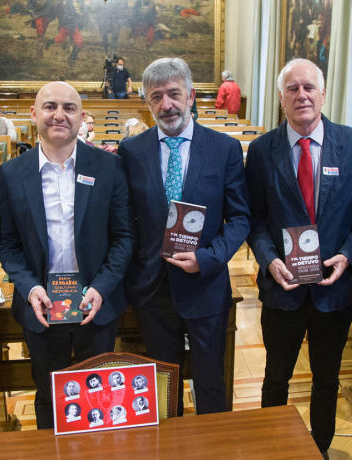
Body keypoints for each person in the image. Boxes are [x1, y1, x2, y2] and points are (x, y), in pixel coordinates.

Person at [244, 58, 352, 458]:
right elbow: (255, 217)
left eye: (309, 87)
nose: (301, 95)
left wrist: (349, 257)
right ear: (281, 97)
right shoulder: (263, 150)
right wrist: (268, 259)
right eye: (292, 88)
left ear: (323, 92)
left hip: (331, 291)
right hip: (281, 288)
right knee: (276, 379)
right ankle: (272, 449)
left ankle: (320, 449)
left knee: (326, 380)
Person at [0, 81, 133, 429]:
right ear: (34, 113)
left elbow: (123, 237)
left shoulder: (108, 167)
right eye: (50, 106)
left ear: (81, 116)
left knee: (98, 398)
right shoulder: (12, 174)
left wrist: (101, 287)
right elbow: (8, 245)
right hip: (41, 306)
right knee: (48, 396)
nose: (59, 115)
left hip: (95, 304)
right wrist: (29, 288)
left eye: (69, 108)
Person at [118, 57, 250, 415]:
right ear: (147, 102)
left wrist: (207, 258)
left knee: (210, 384)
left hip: (205, 285)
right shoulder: (131, 151)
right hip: (152, 288)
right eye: (156, 97)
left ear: (191, 95)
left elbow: (239, 218)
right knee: (164, 387)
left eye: (174, 94)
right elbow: (125, 221)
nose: (166, 105)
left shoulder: (223, 149)